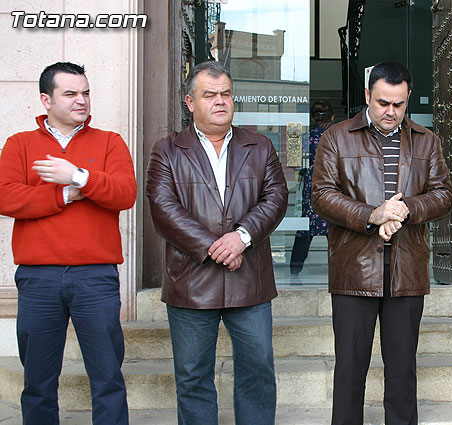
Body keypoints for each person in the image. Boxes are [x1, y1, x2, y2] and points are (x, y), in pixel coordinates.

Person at [145, 60, 288, 425]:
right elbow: (163, 209)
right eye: (209, 95)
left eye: (226, 93)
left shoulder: (260, 146)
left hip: (249, 280)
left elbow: (276, 197)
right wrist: (216, 247)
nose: (220, 101)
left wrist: (241, 238)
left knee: (258, 373)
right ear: (190, 102)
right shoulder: (167, 150)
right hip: (191, 282)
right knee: (193, 377)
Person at [312, 61, 452, 425]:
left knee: (403, 368)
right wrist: (373, 215)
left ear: (408, 99)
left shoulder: (426, 140)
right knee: (350, 368)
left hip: (406, 268)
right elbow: (322, 196)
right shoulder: (337, 137)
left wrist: (406, 209)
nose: (391, 111)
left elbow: (444, 195)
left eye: (399, 104)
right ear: (367, 96)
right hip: (354, 268)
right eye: (382, 103)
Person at [0, 62, 136, 425]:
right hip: (38, 278)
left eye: (86, 93)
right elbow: (6, 197)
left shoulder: (109, 142)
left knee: (107, 378)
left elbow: (124, 193)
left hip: (95, 276)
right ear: (46, 100)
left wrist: (78, 176)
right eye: (71, 93)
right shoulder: (19, 144)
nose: (82, 101)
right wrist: (64, 194)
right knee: (38, 381)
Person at [289, 100, 334, 275]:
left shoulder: (305, 138)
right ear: (332, 117)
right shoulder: (340, 137)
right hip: (335, 190)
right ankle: (341, 271)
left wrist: (306, 172)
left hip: (311, 190)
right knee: (335, 230)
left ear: (313, 118)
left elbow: (292, 163)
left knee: (305, 230)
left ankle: (294, 269)